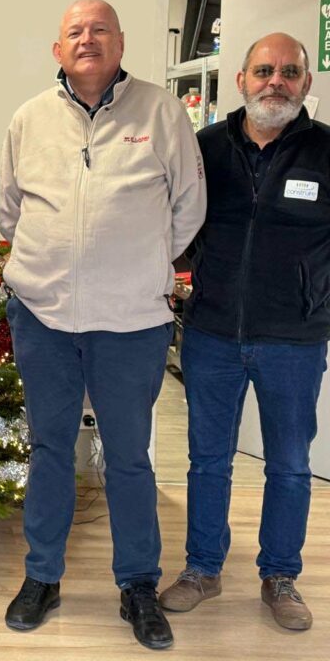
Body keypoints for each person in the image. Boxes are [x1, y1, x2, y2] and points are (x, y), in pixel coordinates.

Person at [0, 0, 207, 650]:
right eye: (75, 32)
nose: (87, 40)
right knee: (51, 450)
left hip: (131, 323)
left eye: (100, 30)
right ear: (58, 49)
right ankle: (42, 577)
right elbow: (10, 214)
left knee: (130, 458)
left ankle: (138, 585)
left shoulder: (162, 112)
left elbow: (189, 208)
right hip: (43, 318)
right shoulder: (29, 119)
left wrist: (139, 266)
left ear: (119, 43)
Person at [159, 33, 327, 631]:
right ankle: (202, 568)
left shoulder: (326, 151)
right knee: (208, 461)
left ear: (305, 83)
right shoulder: (204, 147)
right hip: (211, 333)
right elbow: (176, 222)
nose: (274, 82)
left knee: (287, 464)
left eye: (288, 72)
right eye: (263, 71)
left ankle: (280, 576)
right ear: (241, 80)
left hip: (295, 339)